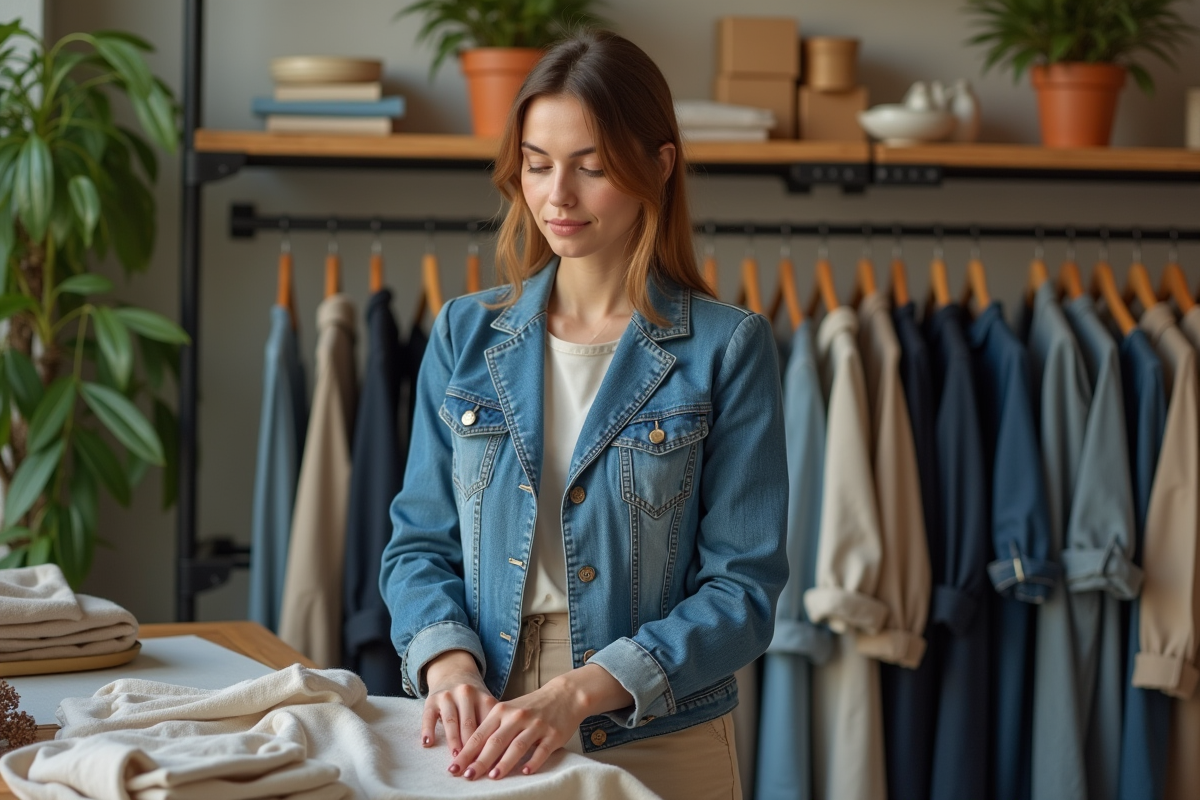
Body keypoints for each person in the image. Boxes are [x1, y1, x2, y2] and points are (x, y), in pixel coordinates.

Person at [379, 29, 788, 800]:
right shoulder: (467, 335)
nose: (556, 196)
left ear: (657, 166)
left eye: (591, 168)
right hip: (480, 719)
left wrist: (578, 692)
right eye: (537, 165)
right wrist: (448, 663)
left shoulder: (727, 349)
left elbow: (743, 592)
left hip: (655, 724)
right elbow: (417, 545)